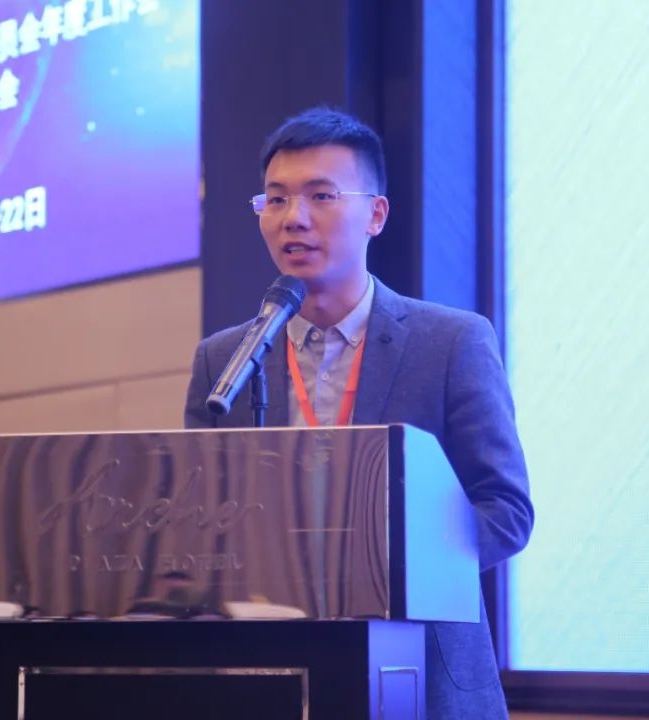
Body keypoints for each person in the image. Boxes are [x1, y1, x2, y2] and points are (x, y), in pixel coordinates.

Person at [183, 107, 533, 718]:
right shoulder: (224, 359)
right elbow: (198, 519)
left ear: (376, 214)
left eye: (321, 196)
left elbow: (505, 511)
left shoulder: (451, 342)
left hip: (422, 675)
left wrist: (381, 570)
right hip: (269, 678)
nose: (294, 218)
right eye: (275, 199)